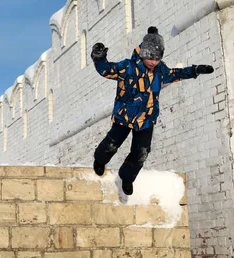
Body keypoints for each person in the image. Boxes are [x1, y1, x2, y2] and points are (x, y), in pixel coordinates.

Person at [91, 26, 215, 195]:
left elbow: (174, 74)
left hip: (147, 118)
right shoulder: (128, 67)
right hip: (125, 116)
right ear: (143, 54)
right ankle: (99, 160)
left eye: (157, 58)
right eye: (150, 58)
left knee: (141, 152)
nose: (153, 62)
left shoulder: (160, 70)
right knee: (112, 144)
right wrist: (99, 59)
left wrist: (194, 70)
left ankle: (127, 177)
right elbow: (107, 70)